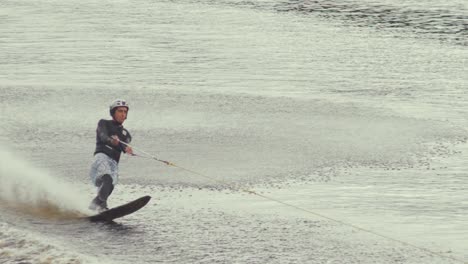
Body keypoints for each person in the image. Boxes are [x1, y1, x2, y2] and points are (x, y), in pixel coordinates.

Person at [89, 99, 133, 212]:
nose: (123, 114)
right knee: (107, 179)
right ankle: (95, 204)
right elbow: (103, 136)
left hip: (114, 163)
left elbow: (123, 145)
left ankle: (101, 207)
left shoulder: (126, 135)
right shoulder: (103, 123)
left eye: (125, 112)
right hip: (101, 157)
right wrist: (111, 140)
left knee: (110, 186)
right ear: (113, 112)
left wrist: (126, 148)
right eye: (120, 111)